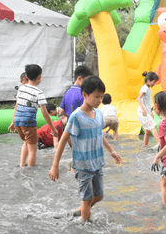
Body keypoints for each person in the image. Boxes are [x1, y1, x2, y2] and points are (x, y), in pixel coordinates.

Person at [49, 77, 122, 221]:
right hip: (83, 165)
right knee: (87, 199)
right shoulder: (76, 116)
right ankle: (84, 226)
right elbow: (63, 140)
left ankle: (81, 211)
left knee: (99, 196)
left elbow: (98, 134)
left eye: (101, 96)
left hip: (97, 163)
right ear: (84, 95)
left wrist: (111, 151)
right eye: (96, 96)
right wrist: (54, 165)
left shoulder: (99, 114)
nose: (99, 100)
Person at [8, 64, 58, 167]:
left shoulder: (21, 89)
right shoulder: (38, 93)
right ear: (40, 77)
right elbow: (44, 113)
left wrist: (13, 122)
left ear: (26, 76)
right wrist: (53, 129)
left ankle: (22, 166)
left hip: (18, 121)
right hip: (28, 122)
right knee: (33, 150)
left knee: (26, 142)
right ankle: (30, 174)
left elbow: (16, 106)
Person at [137, 72, 161, 147]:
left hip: (145, 112)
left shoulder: (147, 89)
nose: (154, 84)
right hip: (142, 112)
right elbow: (138, 98)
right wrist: (143, 109)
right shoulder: (145, 88)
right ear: (148, 80)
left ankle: (145, 145)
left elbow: (147, 102)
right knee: (153, 126)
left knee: (147, 131)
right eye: (154, 82)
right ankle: (159, 143)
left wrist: (150, 112)